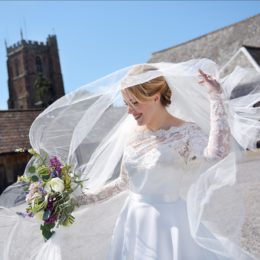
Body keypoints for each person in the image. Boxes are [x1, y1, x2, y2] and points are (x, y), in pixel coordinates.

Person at [0, 59, 259, 260]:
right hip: (133, 222)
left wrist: (215, 100)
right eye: (125, 103)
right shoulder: (133, 136)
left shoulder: (186, 132)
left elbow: (215, 155)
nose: (129, 111)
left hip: (171, 224)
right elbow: (123, 183)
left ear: (155, 97)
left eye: (134, 103)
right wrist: (72, 201)